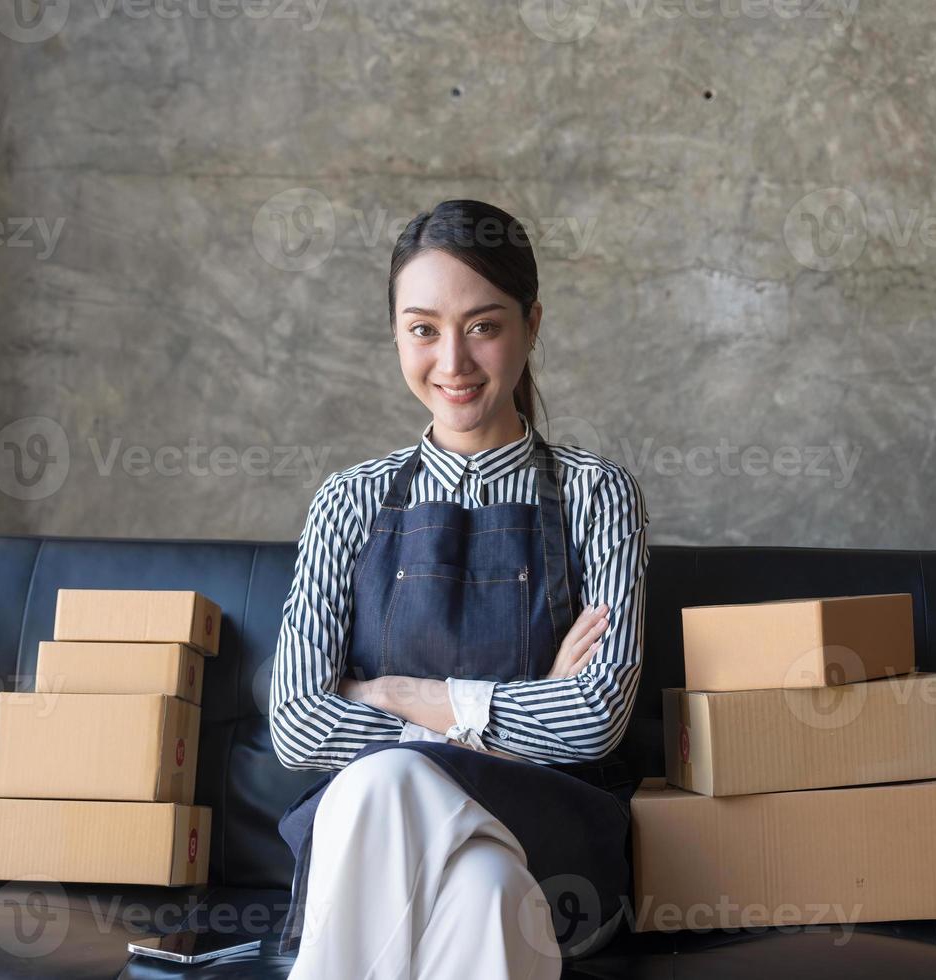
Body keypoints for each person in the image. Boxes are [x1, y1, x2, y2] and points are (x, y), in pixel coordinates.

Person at [268, 199, 650, 979]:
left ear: (531, 323)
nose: (453, 361)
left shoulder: (597, 494)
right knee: (481, 887)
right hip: (394, 852)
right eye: (423, 329)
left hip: (551, 844)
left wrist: (396, 691)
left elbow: (594, 717)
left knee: (395, 776)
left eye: (483, 325)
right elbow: (299, 728)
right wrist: (517, 705)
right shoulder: (348, 500)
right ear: (396, 335)